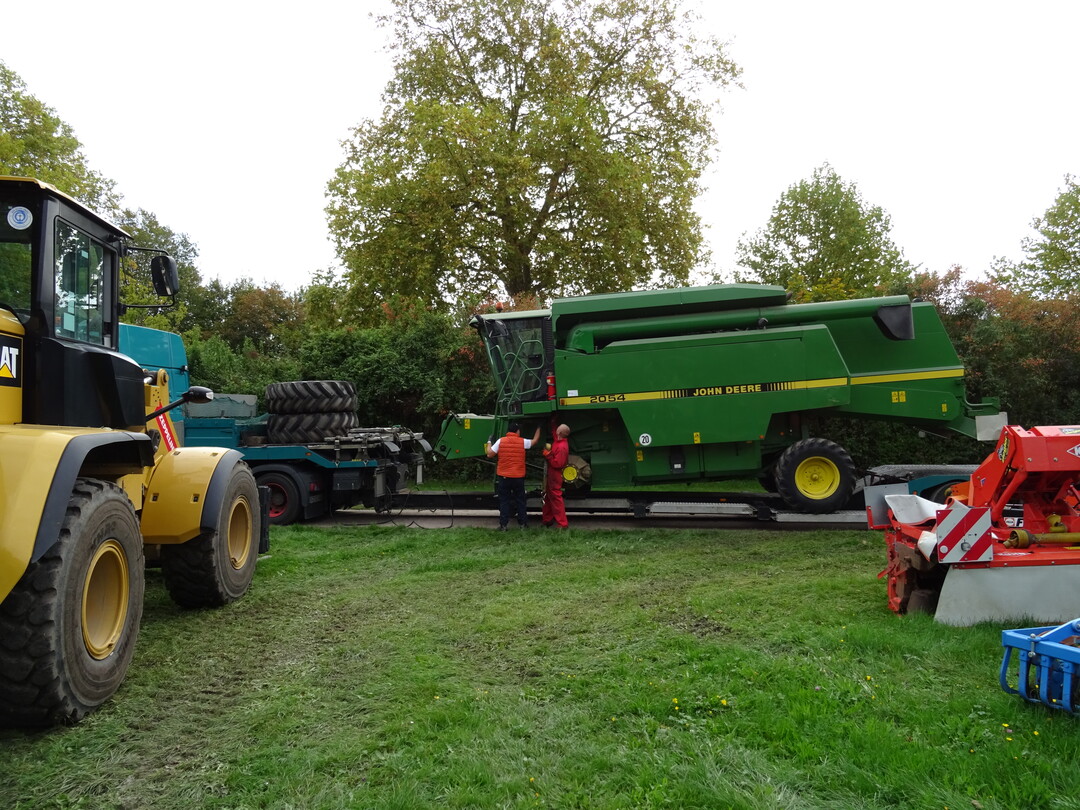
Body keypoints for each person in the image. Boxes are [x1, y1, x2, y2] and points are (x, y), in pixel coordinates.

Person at [486, 422, 541, 530]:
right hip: (518, 477)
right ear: (517, 431)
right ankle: (523, 524)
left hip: (504, 477)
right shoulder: (522, 442)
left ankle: (503, 525)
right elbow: (535, 441)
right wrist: (538, 428)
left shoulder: (500, 441)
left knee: (504, 501)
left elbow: (489, 454)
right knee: (520, 501)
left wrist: (489, 442)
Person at [542, 424, 571, 529]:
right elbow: (555, 433)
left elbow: (558, 464)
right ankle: (547, 519)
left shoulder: (562, 447)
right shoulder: (559, 441)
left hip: (555, 474)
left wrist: (548, 455)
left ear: (560, 433)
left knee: (555, 498)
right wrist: (553, 421)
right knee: (549, 497)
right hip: (552, 474)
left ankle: (563, 524)